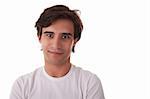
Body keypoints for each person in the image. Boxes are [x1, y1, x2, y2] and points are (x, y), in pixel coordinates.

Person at [10, 5, 105, 99]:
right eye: (50, 35)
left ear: (75, 41)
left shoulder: (89, 83)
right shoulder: (22, 86)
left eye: (65, 37)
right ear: (39, 37)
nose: (56, 45)